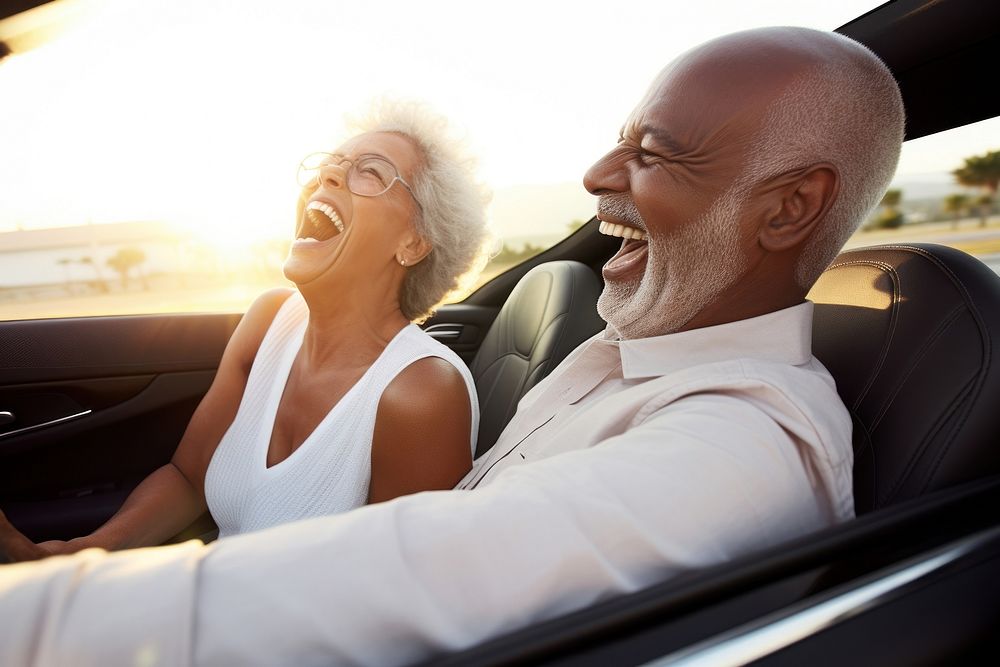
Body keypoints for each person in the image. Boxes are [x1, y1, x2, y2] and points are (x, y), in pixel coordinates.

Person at [0, 26, 904, 666]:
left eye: (656, 153)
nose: (595, 176)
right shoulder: (628, 361)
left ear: (789, 208)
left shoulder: (736, 446)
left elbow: (403, 580)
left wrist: (34, 620)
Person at [0, 101, 491, 559]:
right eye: (331, 164)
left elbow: (396, 593)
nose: (329, 174)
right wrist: (81, 557)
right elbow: (188, 478)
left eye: (370, 171)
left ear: (413, 242)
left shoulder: (420, 393)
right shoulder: (269, 320)